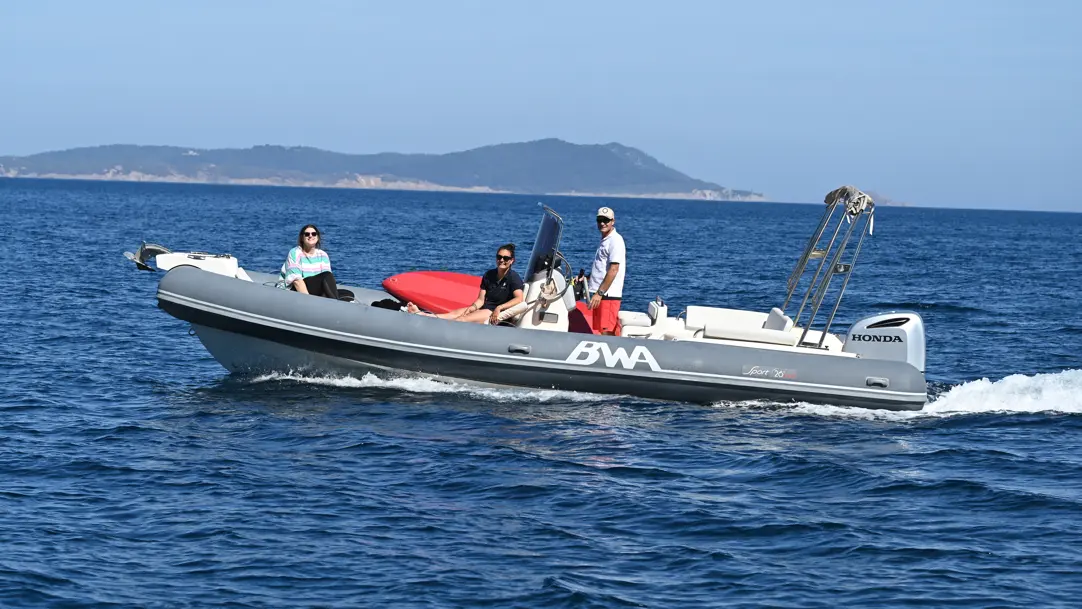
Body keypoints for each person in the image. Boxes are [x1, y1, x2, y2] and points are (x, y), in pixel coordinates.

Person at [408, 243, 525, 324]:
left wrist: (499, 308)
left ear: (511, 261)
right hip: (485, 308)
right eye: (499, 257)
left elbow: (519, 298)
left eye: (505, 258)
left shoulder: (513, 278)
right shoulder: (489, 275)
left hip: (493, 312)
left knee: (462, 320)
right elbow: (480, 300)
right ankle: (421, 314)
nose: (502, 260)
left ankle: (434, 328)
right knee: (454, 314)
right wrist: (471, 308)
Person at [587, 206, 626, 335]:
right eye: (600, 220)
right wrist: (588, 278)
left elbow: (613, 269)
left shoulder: (615, 240)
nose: (602, 223)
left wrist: (600, 293)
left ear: (612, 221)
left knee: (607, 333)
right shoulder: (605, 240)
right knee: (600, 331)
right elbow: (602, 267)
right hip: (600, 294)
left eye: (606, 220)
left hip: (608, 296)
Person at [278, 224, 341, 299]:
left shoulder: (323, 255)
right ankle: (335, 305)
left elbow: (326, 280)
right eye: (307, 234)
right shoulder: (295, 252)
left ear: (317, 237)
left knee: (348, 294)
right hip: (294, 290)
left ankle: (332, 304)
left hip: (313, 289)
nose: (310, 236)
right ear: (302, 238)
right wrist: (309, 301)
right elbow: (296, 281)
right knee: (327, 276)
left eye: (314, 234)